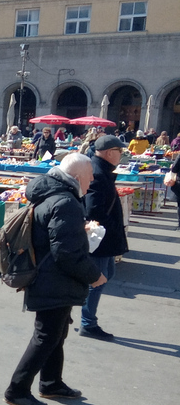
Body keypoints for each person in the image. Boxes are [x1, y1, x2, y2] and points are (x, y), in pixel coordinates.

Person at [4, 153, 107, 405]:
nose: (92, 179)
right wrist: (95, 276)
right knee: (46, 336)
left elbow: (58, 241)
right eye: (89, 175)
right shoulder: (65, 202)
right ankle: (16, 391)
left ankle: (51, 383)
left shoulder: (54, 196)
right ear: (75, 177)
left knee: (56, 333)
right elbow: (67, 254)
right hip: (52, 278)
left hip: (49, 276)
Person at [80, 136, 129, 341]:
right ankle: (88, 323)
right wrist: (111, 226)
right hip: (101, 237)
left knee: (107, 274)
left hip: (106, 237)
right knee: (98, 279)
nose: (122, 155)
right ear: (110, 152)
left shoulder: (101, 170)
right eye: (120, 151)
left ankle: (81, 315)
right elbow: (94, 209)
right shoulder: (98, 173)